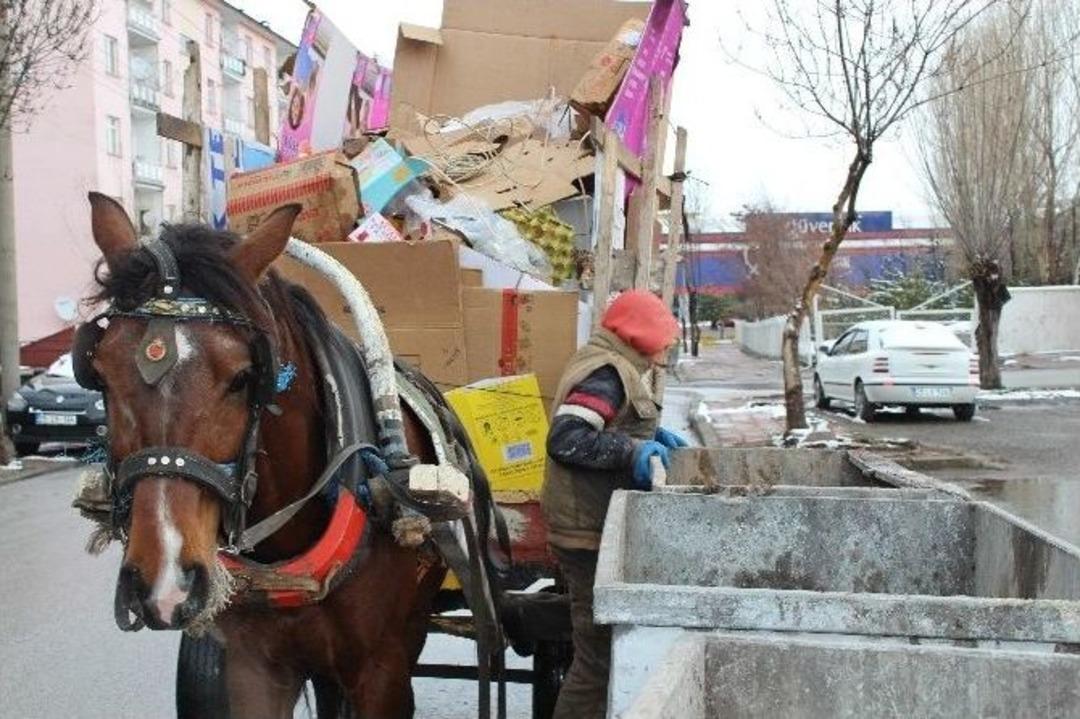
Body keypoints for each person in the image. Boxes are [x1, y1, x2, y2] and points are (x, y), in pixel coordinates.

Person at [541, 290, 687, 719]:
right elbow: (566, 438)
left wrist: (648, 438)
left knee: (603, 657)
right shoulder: (607, 373)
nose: (667, 347)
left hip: (593, 528)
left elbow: (606, 423)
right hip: (585, 534)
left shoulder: (613, 365)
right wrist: (632, 452)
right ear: (642, 334)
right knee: (597, 662)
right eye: (664, 337)